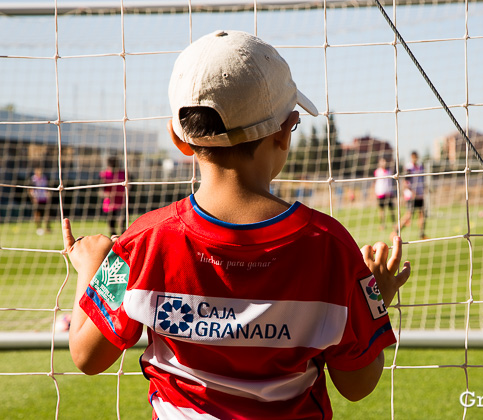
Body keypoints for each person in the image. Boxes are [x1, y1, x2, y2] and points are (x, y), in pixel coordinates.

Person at [63, 30, 411, 419]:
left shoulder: (142, 242)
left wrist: (91, 269)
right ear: (285, 132)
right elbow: (358, 385)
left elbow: (86, 355)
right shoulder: (330, 246)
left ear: (178, 139)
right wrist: (376, 294)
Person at [400, 151, 426, 239]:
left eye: (416, 157)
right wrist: (412, 191)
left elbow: (422, 180)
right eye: (413, 157)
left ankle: (422, 234)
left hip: (420, 194)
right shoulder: (408, 168)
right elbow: (405, 183)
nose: (415, 159)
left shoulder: (420, 167)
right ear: (411, 157)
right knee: (409, 215)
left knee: (422, 214)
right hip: (411, 196)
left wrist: (425, 188)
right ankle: (396, 231)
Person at [100, 156, 126, 236]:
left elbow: (130, 187)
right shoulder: (104, 175)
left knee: (122, 224)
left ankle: (123, 241)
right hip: (109, 204)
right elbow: (101, 190)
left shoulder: (123, 174)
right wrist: (107, 195)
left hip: (122, 203)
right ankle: (114, 243)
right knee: (112, 226)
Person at [29, 167, 52, 235]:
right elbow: (30, 189)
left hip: (44, 198)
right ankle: (38, 228)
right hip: (37, 199)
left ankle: (48, 228)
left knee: (47, 214)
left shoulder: (44, 178)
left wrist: (48, 195)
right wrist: (33, 197)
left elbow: (47, 188)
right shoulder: (33, 179)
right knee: (37, 214)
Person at [374, 157, 395, 231]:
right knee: (381, 210)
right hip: (380, 193)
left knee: (391, 209)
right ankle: (382, 224)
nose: (384, 163)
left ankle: (394, 224)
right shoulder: (377, 172)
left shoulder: (389, 171)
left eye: (384, 161)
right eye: (382, 162)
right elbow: (375, 182)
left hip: (388, 193)